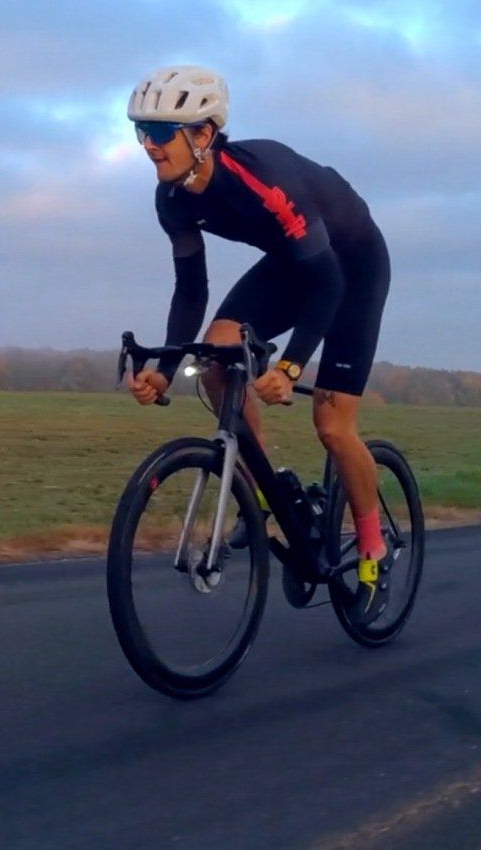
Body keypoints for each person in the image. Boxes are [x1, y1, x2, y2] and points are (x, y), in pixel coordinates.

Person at [121, 65, 393, 607]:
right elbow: (190, 291)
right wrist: (166, 368)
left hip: (352, 266)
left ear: (203, 134)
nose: (148, 147)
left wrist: (291, 366)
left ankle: (372, 552)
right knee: (219, 351)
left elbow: (329, 281)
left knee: (333, 426)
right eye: (140, 132)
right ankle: (265, 492)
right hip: (296, 262)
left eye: (159, 133)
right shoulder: (171, 199)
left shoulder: (262, 181)